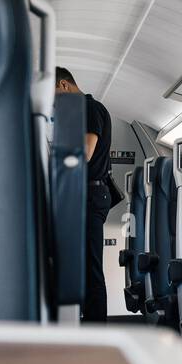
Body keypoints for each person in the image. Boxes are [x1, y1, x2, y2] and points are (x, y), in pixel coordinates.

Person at [56, 67, 112, 322]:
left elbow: (86, 153)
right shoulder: (81, 112)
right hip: (85, 195)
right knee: (81, 267)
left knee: (91, 269)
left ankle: (96, 331)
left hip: (91, 195)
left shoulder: (90, 108)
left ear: (65, 85)